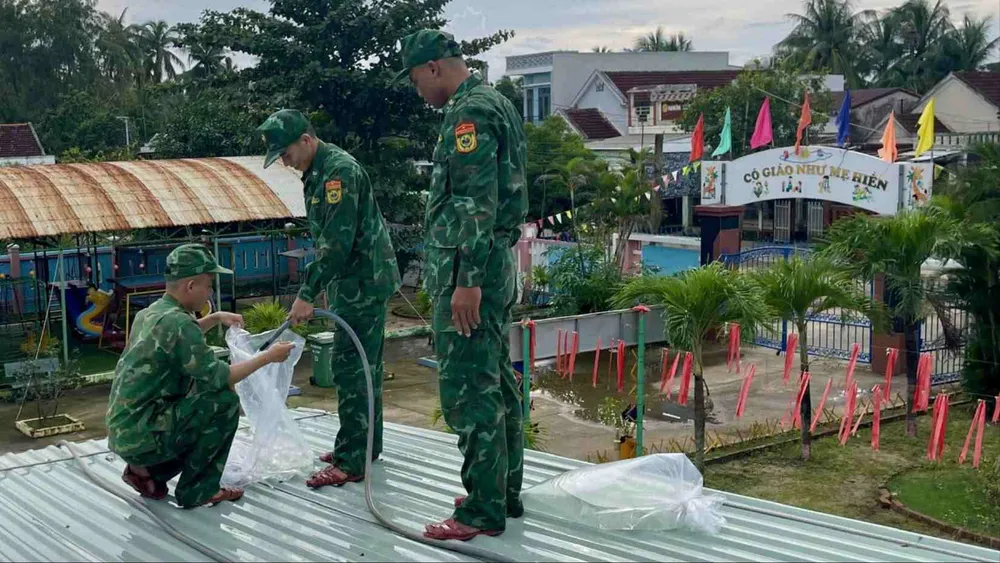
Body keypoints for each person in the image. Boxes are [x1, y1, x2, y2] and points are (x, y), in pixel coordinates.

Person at [394, 29, 528, 541]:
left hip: (472, 273)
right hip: (494, 267)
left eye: (414, 80)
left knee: (470, 391)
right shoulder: (495, 102)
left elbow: (475, 202)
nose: (416, 91)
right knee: (497, 383)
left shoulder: (469, 113)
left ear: (432, 67)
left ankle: (480, 511)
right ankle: (500, 492)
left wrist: (466, 281)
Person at [257, 109, 402, 488]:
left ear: (306, 140)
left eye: (286, 154)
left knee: (351, 367)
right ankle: (363, 445)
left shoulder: (339, 172)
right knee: (363, 366)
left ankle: (353, 459)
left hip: (362, 281)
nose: (285, 162)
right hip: (351, 280)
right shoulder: (317, 173)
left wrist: (306, 293)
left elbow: (336, 244)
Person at [106, 243, 295, 508]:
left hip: (125, 432)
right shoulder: (179, 323)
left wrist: (215, 317)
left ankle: (145, 474)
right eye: (208, 285)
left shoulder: (150, 314)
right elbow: (224, 377)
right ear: (191, 286)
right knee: (222, 402)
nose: (210, 292)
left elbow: (181, 335)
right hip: (144, 434)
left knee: (195, 408)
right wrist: (268, 357)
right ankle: (199, 491)